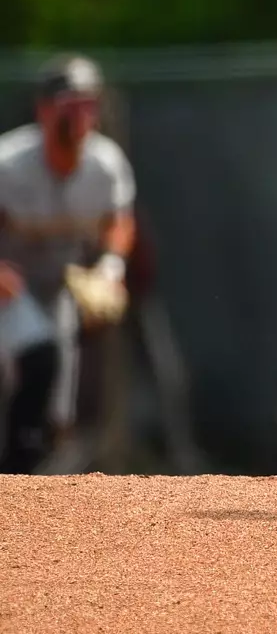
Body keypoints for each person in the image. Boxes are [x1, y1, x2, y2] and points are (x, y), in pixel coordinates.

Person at [0, 54, 135, 473]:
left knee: (56, 414)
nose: (81, 115)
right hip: (8, 286)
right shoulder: (9, 164)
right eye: (69, 104)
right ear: (43, 110)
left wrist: (110, 269)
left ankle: (30, 495)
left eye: (88, 103)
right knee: (37, 362)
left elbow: (119, 222)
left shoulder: (105, 164)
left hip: (58, 287)